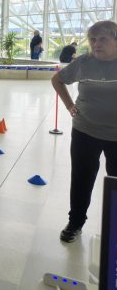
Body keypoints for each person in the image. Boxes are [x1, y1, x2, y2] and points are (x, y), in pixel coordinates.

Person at [51, 20, 117, 243]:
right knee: (81, 179)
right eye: (93, 39)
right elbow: (57, 80)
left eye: (103, 39)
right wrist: (70, 105)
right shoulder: (84, 63)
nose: (96, 44)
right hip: (85, 131)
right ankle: (76, 222)